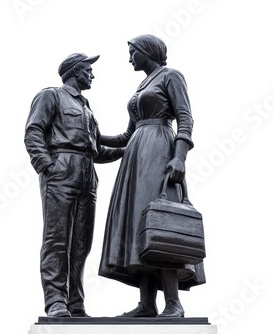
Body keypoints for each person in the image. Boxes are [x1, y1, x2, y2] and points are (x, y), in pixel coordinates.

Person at [98, 34, 205, 318]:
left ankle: (173, 303)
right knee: (138, 224)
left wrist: (180, 156)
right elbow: (126, 135)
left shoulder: (171, 76)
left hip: (160, 151)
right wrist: (94, 136)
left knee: (161, 219)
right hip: (135, 158)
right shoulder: (141, 86)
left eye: (133, 52)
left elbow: (185, 117)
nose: (129, 57)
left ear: (148, 51)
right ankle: (147, 304)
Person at [24, 53, 124, 317]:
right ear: (75, 71)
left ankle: (75, 303)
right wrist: (47, 165)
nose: (92, 74)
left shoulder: (87, 107)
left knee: (82, 243)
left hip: (87, 174)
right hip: (61, 170)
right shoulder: (51, 96)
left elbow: (95, 150)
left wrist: (127, 150)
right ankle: (56, 301)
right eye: (88, 70)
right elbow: (33, 131)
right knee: (57, 239)